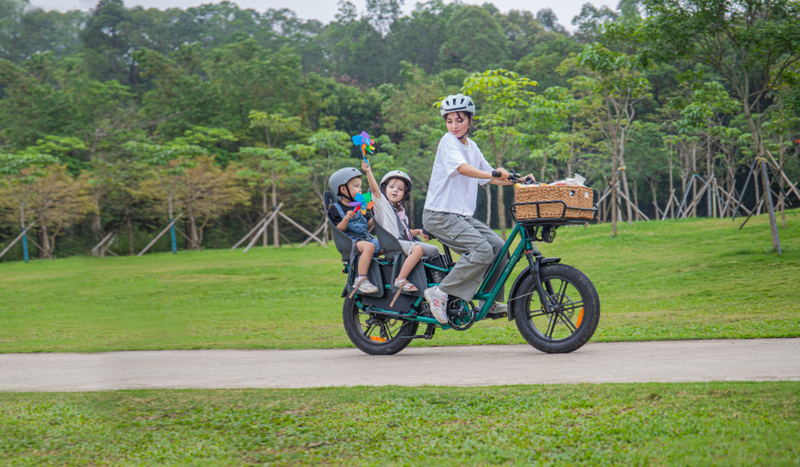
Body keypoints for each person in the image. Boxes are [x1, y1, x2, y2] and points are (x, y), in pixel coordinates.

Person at [422, 94, 534, 324]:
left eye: (459, 120)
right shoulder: (447, 142)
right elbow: (463, 169)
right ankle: (440, 293)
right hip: (439, 214)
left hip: (460, 217)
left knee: (499, 248)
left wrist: (518, 179)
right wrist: (493, 173)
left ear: (470, 120)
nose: (454, 126)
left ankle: (489, 302)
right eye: (449, 120)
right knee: (482, 251)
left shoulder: (471, 146)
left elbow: (491, 177)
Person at [362, 161, 440, 293]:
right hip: (391, 243)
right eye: (391, 187)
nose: (395, 191)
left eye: (400, 189)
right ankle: (400, 279)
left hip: (402, 241)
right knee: (418, 250)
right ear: (384, 189)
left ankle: (435, 280)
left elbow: (405, 232)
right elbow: (374, 190)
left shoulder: (400, 212)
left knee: (435, 250)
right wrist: (368, 171)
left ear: (404, 195)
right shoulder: (382, 206)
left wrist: (419, 232)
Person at [327, 167, 380, 294]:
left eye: (360, 186)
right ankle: (361, 280)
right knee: (369, 247)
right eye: (356, 186)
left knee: (389, 245)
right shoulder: (336, 208)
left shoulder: (360, 206)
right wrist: (346, 219)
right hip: (350, 241)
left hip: (365, 238)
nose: (360, 189)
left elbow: (366, 227)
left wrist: (376, 217)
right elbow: (338, 230)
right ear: (343, 189)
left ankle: (386, 277)